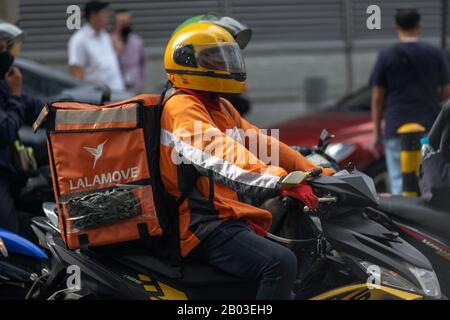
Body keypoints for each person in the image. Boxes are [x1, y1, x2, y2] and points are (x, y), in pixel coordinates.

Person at [160, 21, 335, 299]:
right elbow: (220, 154)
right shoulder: (182, 107)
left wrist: (313, 171)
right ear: (187, 61)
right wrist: (281, 181)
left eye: (225, 57)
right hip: (200, 224)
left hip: (226, 214)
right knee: (279, 262)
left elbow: (260, 143)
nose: (224, 64)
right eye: (214, 58)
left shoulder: (219, 105)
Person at [370, 8, 450, 195]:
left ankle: (402, 221)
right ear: (419, 26)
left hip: (396, 124)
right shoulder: (434, 53)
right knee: (429, 174)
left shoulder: (386, 55)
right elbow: (447, 90)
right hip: (430, 126)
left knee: (399, 179)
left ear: (396, 26)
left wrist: (375, 132)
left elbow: (377, 97)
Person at [0, 21, 43, 233]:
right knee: (9, 235)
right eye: (3, 48)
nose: (8, 54)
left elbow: (30, 106)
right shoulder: (9, 86)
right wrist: (16, 95)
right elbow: (5, 129)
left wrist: (61, 109)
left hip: (11, 175)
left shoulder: (3, 82)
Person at [68, 1, 125, 91]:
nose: (107, 16)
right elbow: (77, 71)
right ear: (93, 16)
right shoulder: (80, 39)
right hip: (98, 99)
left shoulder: (105, 36)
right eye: (104, 13)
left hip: (117, 94)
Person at [111, 9, 146, 93]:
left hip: (136, 88)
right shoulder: (108, 41)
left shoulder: (137, 41)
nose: (125, 26)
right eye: (122, 23)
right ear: (115, 24)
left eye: (127, 23)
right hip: (116, 89)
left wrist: (141, 81)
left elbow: (143, 62)